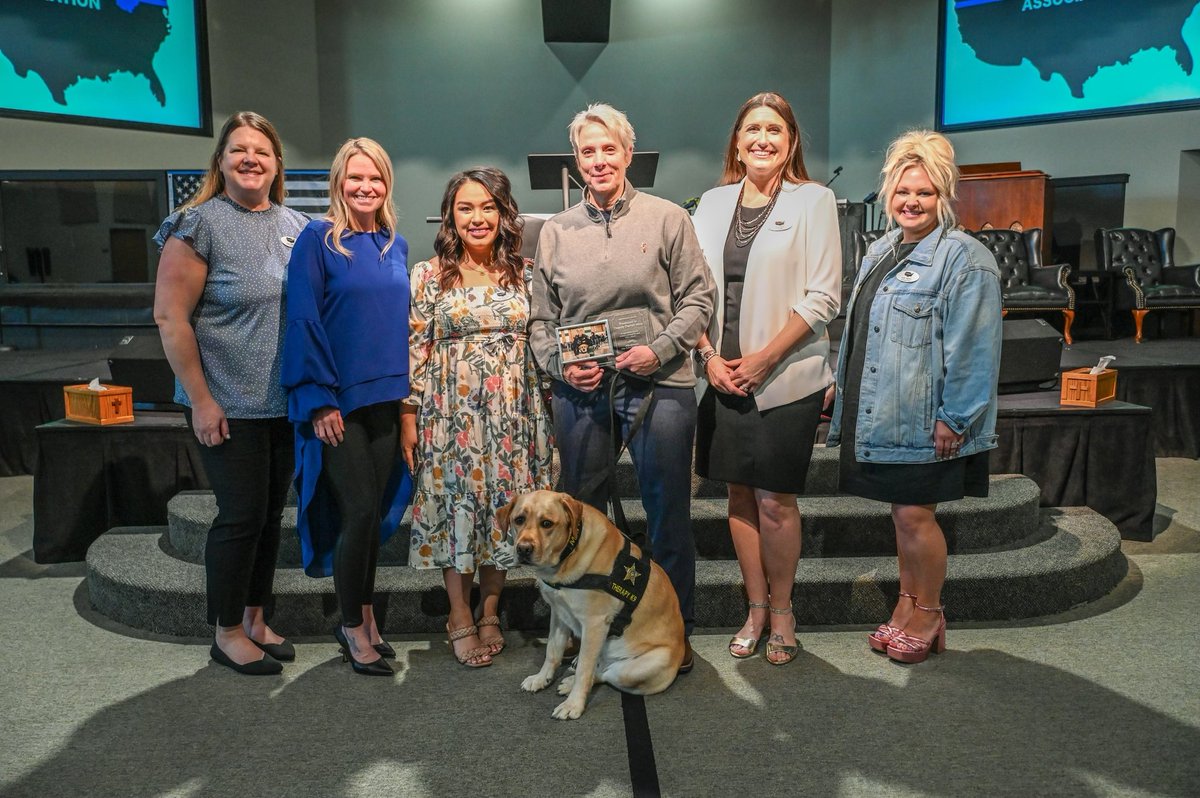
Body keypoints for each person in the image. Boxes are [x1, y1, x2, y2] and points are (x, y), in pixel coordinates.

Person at [529, 103, 717, 673]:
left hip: (659, 387)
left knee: (667, 514)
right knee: (576, 518)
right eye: (588, 151)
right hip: (583, 392)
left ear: (628, 154)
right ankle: (579, 636)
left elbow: (699, 302)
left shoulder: (667, 219)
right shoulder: (556, 232)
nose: (599, 159)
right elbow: (541, 321)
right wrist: (563, 366)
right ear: (577, 160)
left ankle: (670, 634)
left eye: (609, 148)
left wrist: (658, 350)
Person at [827, 130, 1002, 664]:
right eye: (903, 191)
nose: (911, 202)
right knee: (901, 517)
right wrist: (840, 381)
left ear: (944, 196)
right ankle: (906, 605)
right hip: (881, 410)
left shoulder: (966, 260)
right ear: (888, 194)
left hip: (926, 418)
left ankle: (929, 613)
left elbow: (975, 348)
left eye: (925, 193)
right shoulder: (882, 248)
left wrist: (956, 417)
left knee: (916, 518)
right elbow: (862, 330)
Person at [153, 111, 309, 675]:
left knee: (269, 517)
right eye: (239, 149)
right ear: (220, 160)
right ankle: (224, 631)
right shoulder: (198, 224)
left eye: (262, 151)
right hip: (226, 404)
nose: (251, 158)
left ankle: (254, 617)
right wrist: (200, 399)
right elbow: (171, 317)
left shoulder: (295, 224)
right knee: (240, 516)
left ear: (275, 165)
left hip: (282, 403)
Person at [691, 92, 841, 665]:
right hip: (720, 374)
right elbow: (691, 291)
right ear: (736, 140)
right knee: (736, 497)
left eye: (773, 130)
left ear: (791, 141)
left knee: (775, 502)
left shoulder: (814, 200)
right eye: (751, 128)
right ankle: (754, 607)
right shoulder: (710, 202)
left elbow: (824, 295)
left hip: (785, 376)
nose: (762, 139)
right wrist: (708, 357)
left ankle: (783, 611)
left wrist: (762, 360)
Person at [401, 167, 553, 668]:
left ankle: (491, 609)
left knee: (504, 511)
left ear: (505, 214)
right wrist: (409, 416)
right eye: (466, 208)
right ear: (451, 216)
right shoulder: (427, 275)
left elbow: (544, 342)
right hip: (450, 418)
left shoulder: (527, 274)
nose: (478, 217)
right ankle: (459, 614)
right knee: (458, 511)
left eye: (488, 207)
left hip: (514, 413)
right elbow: (414, 347)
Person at [282, 138, 412, 677]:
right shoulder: (317, 240)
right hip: (337, 404)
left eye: (376, 178)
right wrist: (317, 399)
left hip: (387, 400)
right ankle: (352, 625)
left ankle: (364, 615)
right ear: (339, 181)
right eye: (356, 177)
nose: (366, 187)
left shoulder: (394, 244)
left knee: (376, 512)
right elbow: (303, 319)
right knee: (356, 510)